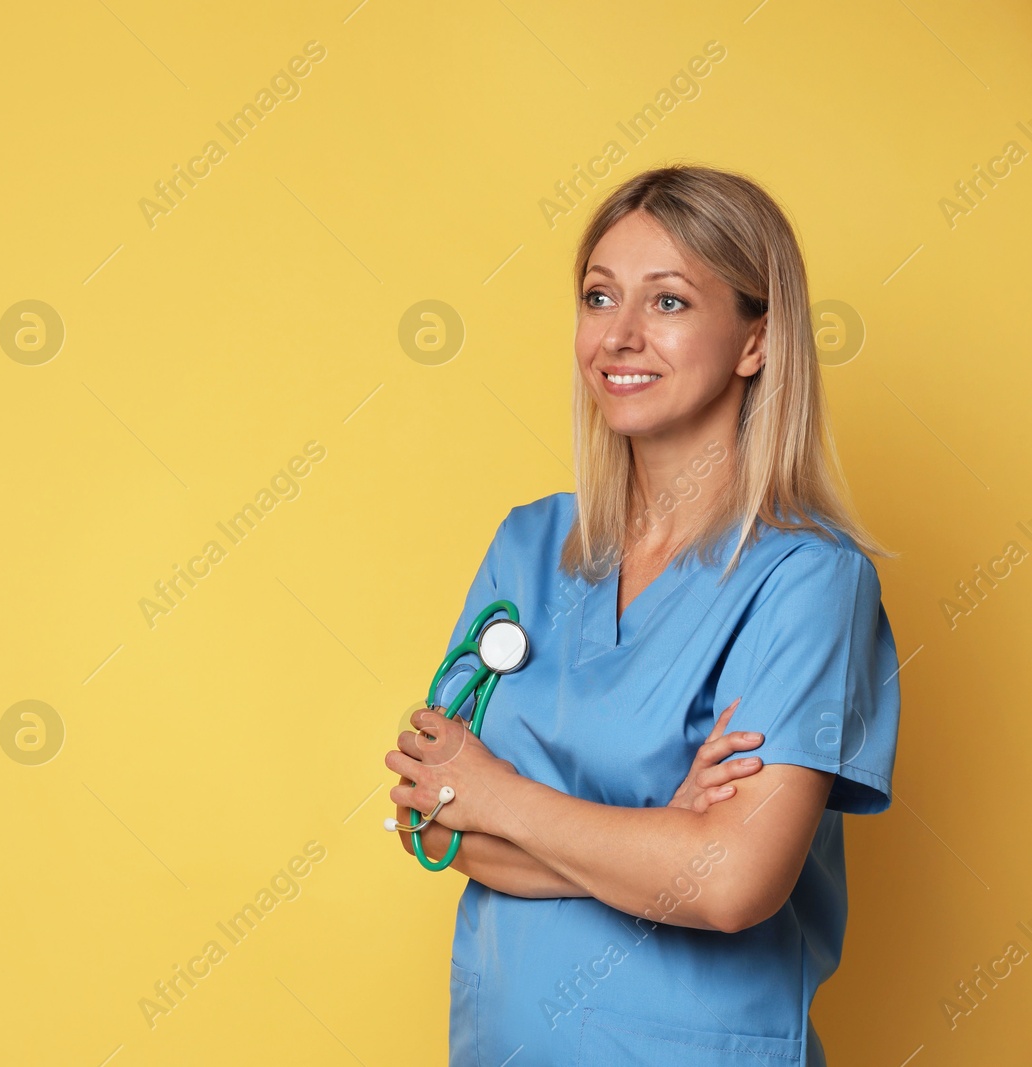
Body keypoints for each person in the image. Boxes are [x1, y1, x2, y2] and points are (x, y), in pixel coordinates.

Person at [385, 164, 901, 1067]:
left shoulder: (809, 579)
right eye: (598, 296)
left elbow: (735, 883)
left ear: (755, 343)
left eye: (667, 302)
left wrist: (501, 796)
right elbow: (428, 824)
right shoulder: (531, 543)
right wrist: (665, 833)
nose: (618, 336)